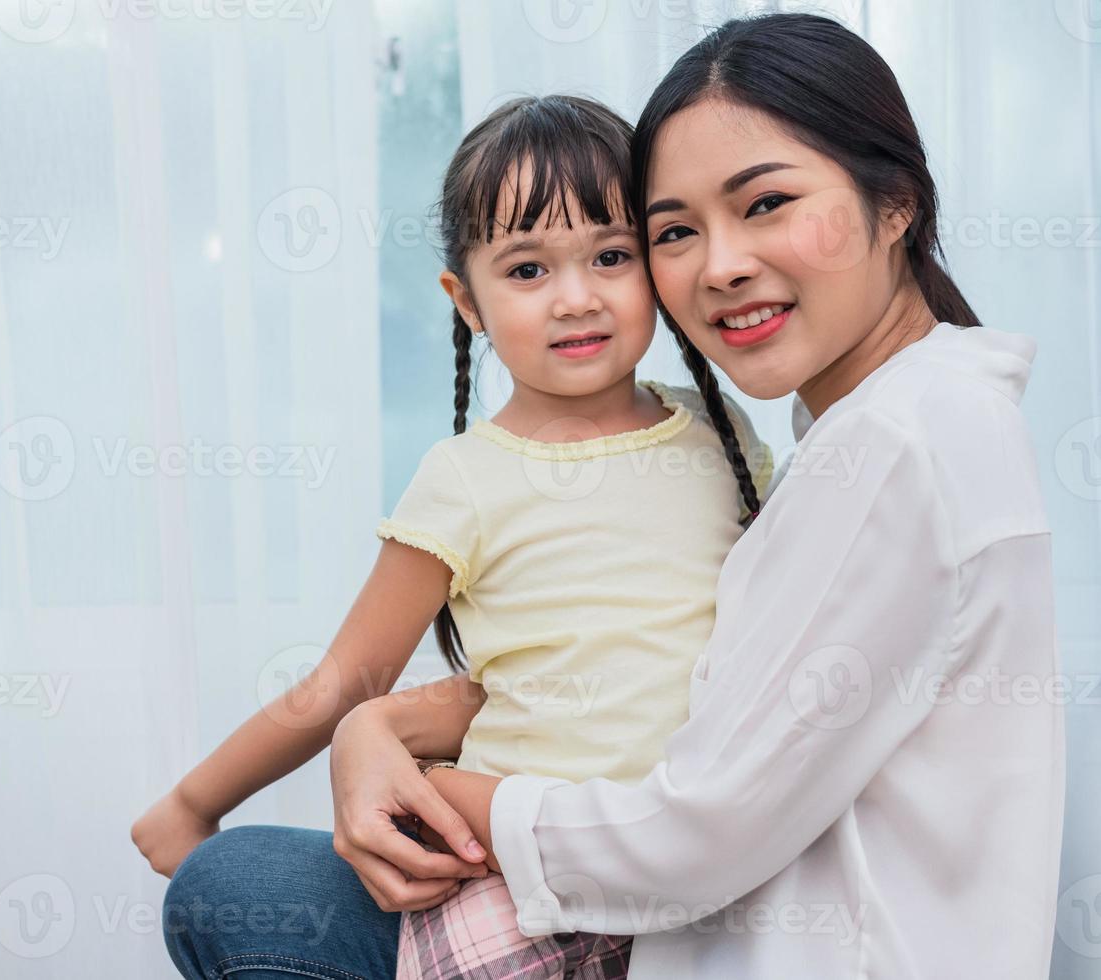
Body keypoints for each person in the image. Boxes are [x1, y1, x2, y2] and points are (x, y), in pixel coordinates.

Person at [332, 13, 1065, 979]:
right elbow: (642, 668)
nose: (718, 266)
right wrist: (372, 726)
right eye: (675, 230)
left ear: (898, 204)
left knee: (243, 888)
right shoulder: (872, 431)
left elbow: (689, 838)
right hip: (682, 913)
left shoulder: (902, 444)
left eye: (764, 203)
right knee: (251, 884)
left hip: (725, 926)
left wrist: (437, 786)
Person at [152, 93, 772, 980]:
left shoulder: (721, 436)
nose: (576, 297)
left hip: (691, 862)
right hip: (518, 863)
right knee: (236, 885)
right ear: (465, 300)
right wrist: (191, 801)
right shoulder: (466, 479)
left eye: (611, 255)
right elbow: (347, 680)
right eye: (527, 269)